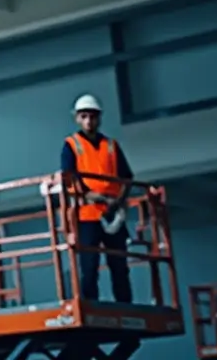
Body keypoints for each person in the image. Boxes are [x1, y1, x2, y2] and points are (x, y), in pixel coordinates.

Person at [61, 93, 134, 304]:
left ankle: (125, 310)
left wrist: (118, 200)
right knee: (90, 267)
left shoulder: (111, 146)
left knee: (120, 267)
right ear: (77, 118)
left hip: (112, 215)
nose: (88, 121)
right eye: (83, 116)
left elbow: (127, 177)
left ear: (99, 118)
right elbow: (69, 178)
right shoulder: (71, 145)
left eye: (92, 116)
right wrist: (92, 195)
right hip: (87, 216)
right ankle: (91, 310)